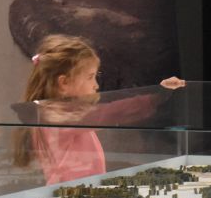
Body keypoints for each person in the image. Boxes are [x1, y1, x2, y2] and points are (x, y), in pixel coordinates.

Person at [14, 35, 184, 185]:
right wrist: (156, 96)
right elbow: (111, 113)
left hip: (79, 190)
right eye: (90, 77)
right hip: (72, 194)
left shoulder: (54, 114)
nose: (95, 85)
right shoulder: (57, 116)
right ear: (64, 83)